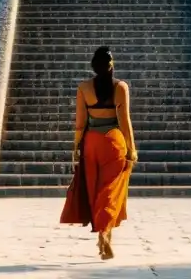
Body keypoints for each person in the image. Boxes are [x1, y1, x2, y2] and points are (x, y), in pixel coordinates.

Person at [72, 46, 137, 259]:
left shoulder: (84, 88)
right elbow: (124, 121)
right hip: (114, 142)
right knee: (111, 189)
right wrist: (132, 149)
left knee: (95, 189)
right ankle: (105, 233)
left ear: (93, 66)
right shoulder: (120, 87)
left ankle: (102, 232)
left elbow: (80, 124)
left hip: (91, 143)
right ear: (112, 65)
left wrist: (75, 147)